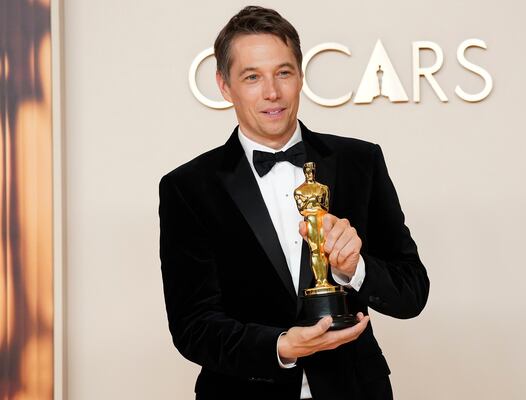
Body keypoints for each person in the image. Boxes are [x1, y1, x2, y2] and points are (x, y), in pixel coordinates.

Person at [159, 6, 429, 400]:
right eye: (252, 77)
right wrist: (280, 347)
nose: (272, 92)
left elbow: (412, 292)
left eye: (283, 73)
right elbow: (192, 325)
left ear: (301, 76)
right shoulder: (187, 187)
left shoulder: (360, 162)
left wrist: (357, 270)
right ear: (223, 85)